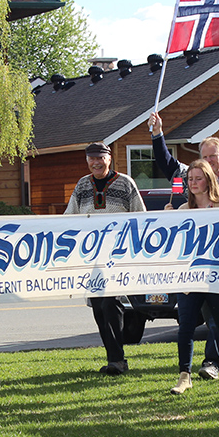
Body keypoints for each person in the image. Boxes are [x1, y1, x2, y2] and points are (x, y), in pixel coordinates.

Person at [148, 111, 219, 378]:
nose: (206, 162)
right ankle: (189, 374)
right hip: (191, 273)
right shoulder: (187, 197)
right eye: (203, 156)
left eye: (211, 157)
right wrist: (158, 133)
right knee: (188, 324)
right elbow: (167, 162)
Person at [65, 141, 146, 375]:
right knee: (99, 308)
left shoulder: (125, 184)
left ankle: (117, 360)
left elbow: (140, 217)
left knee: (111, 303)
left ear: (109, 159)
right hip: (91, 258)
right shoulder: (82, 186)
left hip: (118, 256)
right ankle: (115, 357)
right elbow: (70, 217)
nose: (96, 162)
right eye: (91, 158)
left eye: (100, 158)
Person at [169, 161, 219, 394]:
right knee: (186, 326)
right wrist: (168, 221)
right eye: (190, 179)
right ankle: (184, 375)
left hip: (218, 277)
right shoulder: (183, 211)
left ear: (209, 180)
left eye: (198, 178)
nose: (193, 183)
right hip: (190, 277)